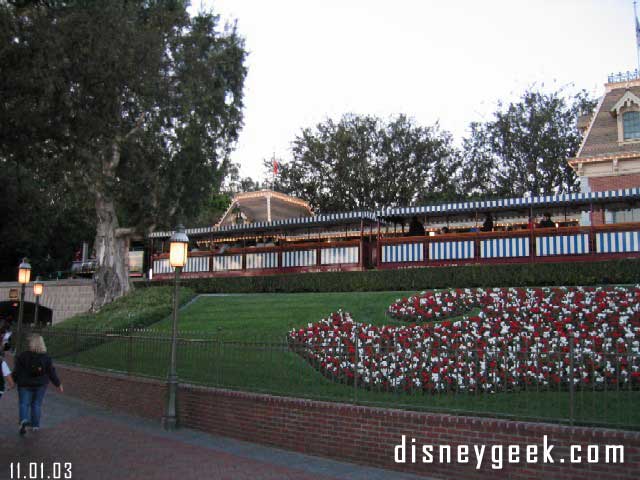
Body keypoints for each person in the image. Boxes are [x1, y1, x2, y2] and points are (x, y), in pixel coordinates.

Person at [12, 334, 63, 435]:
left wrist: (12, 381)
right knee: (36, 404)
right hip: (40, 385)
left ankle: (23, 421)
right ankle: (35, 425)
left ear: (33, 343)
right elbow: (51, 372)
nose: (28, 344)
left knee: (24, 403)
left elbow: (17, 371)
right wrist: (58, 384)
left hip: (24, 384)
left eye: (30, 342)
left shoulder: (23, 356)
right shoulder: (46, 358)